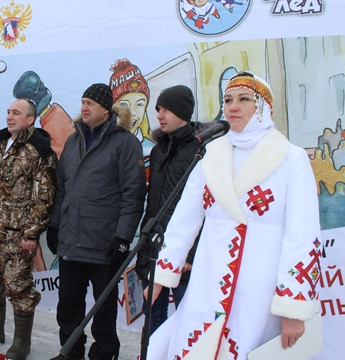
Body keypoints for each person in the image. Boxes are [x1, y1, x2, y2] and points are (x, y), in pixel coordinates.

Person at [145, 71, 321, 359]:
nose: (232, 107)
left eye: (243, 99)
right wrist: (162, 275)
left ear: (262, 107)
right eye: (227, 100)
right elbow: (183, 221)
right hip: (207, 281)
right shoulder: (209, 154)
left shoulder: (291, 159)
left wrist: (294, 307)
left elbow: (303, 236)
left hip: (260, 290)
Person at [47, 83, 147, 360]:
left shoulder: (125, 143)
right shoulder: (73, 140)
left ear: (106, 109)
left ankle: (104, 353)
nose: (84, 108)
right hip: (71, 238)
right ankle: (70, 351)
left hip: (104, 241)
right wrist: (55, 226)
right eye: (82, 102)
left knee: (103, 308)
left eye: (90, 103)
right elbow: (62, 188)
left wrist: (123, 237)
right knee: (68, 305)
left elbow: (133, 194)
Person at [0, 98, 57, 360]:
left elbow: (45, 196)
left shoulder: (38, 150)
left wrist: (31, 233)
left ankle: (21, 344)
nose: (9, 117)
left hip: (16, 235)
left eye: (16, 113)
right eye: (8, 112)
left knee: (18, 286)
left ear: (31, 119)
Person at [136, 85, 204, 334]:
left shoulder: (202, 151)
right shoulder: (158, 150)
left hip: (184, 258)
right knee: (152, 322)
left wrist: (189, 256)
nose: (160, 115)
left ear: (183, 112)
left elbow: (207, 210)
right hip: (153, 249)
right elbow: (153, 203)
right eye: (158, 109)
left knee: (189, 325)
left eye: (166, 109)